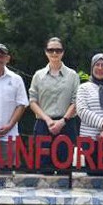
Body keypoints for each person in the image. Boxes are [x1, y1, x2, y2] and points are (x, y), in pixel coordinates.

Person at [28, 37, 79, 172]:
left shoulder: (72, 75)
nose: (54, 53)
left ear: (63, 52)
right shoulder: (38, 75)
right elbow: (32, 101)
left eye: (58, 50)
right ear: (46, 52)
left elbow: (76, 101)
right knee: (43, 170)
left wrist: (62, 121)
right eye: (51, 50)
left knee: (65, 171)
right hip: (44, 125)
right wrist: (48, 120)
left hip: (66, 124)